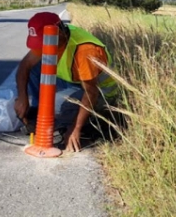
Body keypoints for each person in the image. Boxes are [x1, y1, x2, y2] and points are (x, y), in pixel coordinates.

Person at [14, 12, 119, 152]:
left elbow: (91, 93)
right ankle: (39, 115)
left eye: (44, 41)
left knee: (56, 104)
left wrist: (75, 129)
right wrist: (23, 97)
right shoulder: (55, 37)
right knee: (34, 69)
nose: (41, 47)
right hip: (73, 82)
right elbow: (25, 66)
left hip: (100, 92)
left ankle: (69, 124)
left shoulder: (84, 50)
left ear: (60, 33)